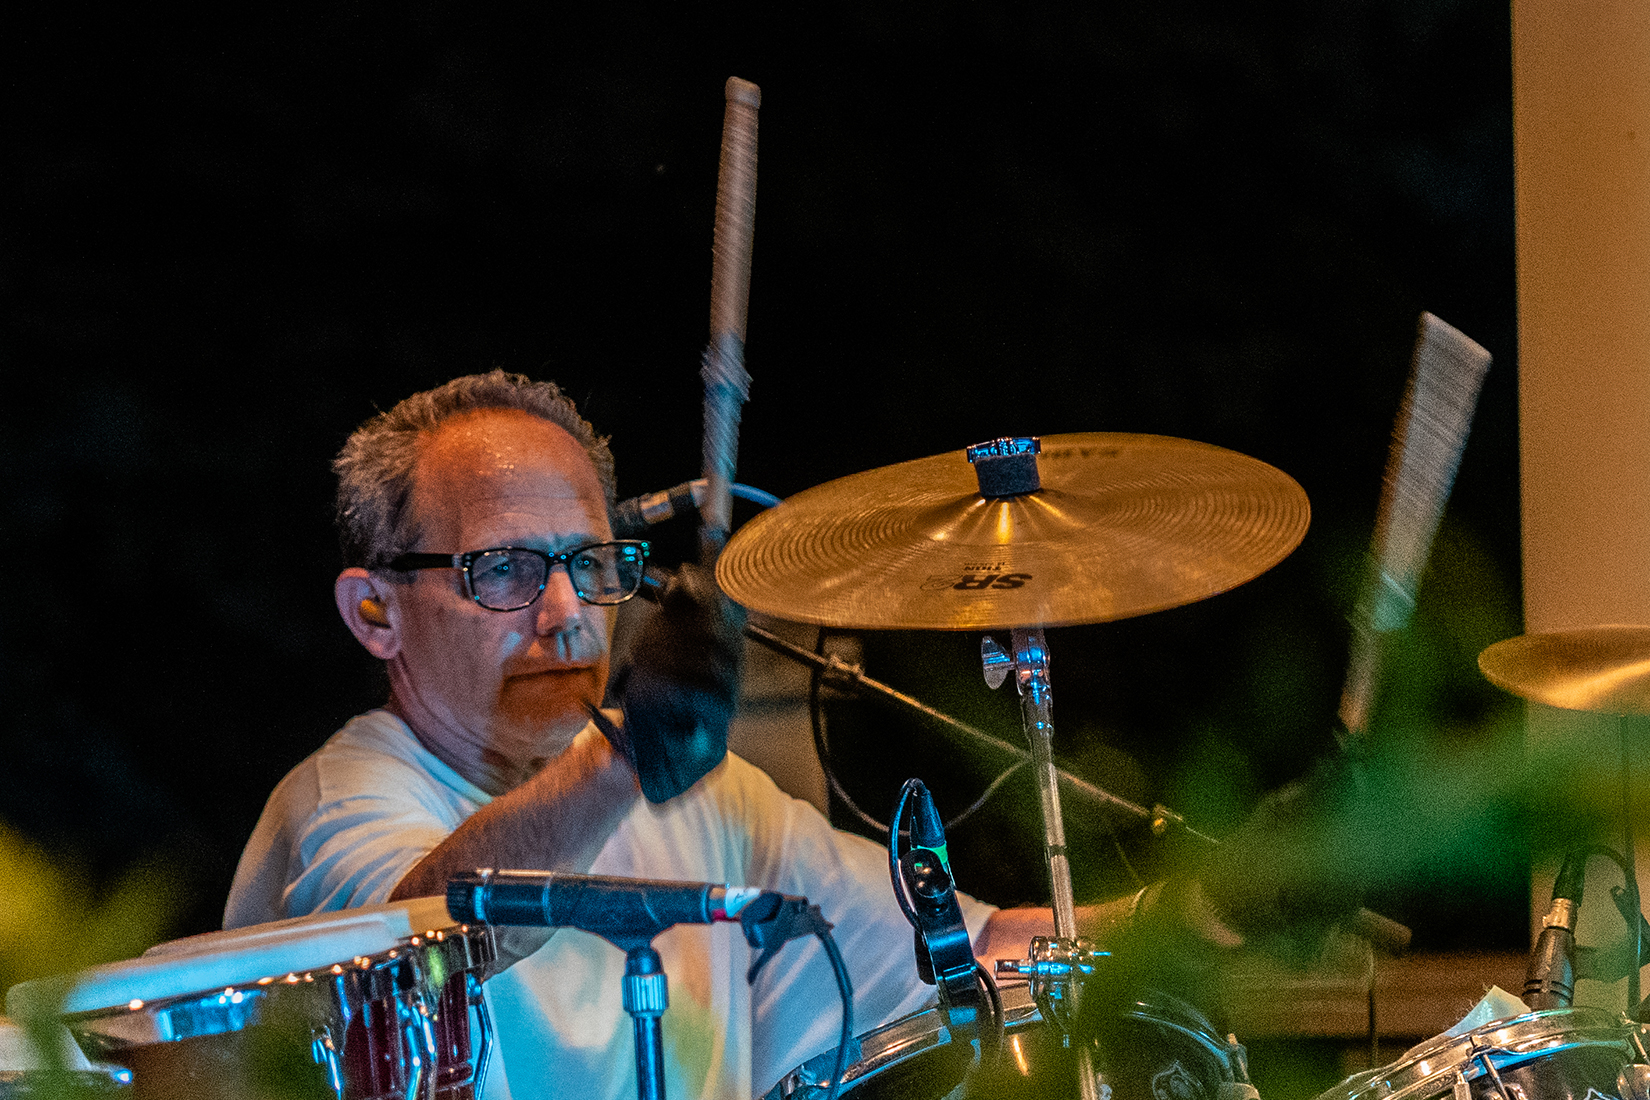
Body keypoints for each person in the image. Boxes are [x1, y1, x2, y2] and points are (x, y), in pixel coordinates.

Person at [225, 370, 1145, 1100]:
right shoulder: (343, 801)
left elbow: (974, 950)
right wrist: (628, 756)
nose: (565, 612)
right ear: (375, 611)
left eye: (589, 563)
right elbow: (419, 953)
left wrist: (1194, 917)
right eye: (502, 568)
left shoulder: (712, 800)